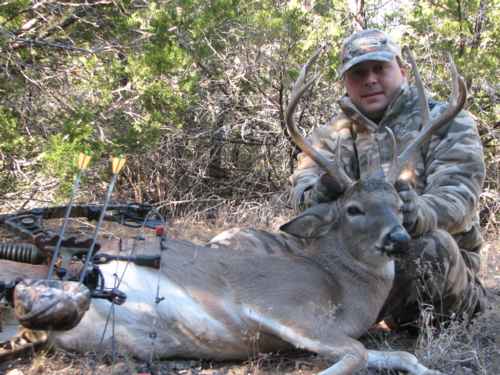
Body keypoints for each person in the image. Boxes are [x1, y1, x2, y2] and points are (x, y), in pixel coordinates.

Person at [289, 29, 486, 329]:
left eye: (380, 68)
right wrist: (320, 192)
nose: (370, 79)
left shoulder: (446, 121)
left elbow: (459, 197)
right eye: (358, 73)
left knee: (432, 247)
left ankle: (345, 321)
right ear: (345, 82)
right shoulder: (329, 138)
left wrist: (419, 212)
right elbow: (302, 198)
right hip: (354, 261)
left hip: (428, 259)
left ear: (402, 71)